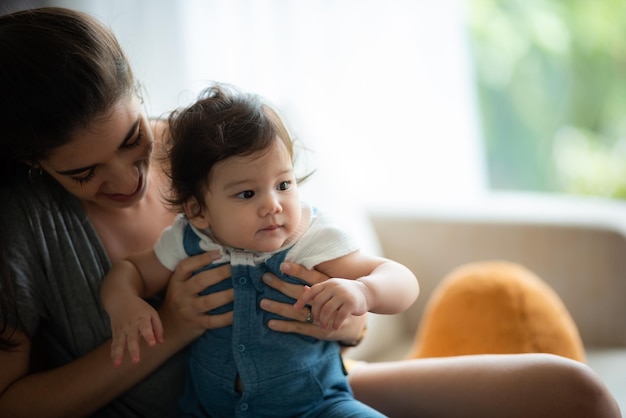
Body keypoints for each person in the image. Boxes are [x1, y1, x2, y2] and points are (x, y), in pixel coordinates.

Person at [0, 6, 620, 418]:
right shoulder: (24, 229)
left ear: (136, 91)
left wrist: (347, 312)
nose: (128, 178)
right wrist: (174, 327)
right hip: (202, 404)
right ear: (34, 163)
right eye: (83, 173)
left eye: (132, 138)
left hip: (307, 390)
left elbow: (360, 282)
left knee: (573, 393)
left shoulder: (211, 153)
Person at [100, 83, 419, 417]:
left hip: (317, 407)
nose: (273, 205)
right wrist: (123, 301)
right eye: (247, 194)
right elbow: (130, 271)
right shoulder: (189, 239)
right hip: (209, 411)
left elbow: (400, 279)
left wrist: (364, 291)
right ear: (198, 211)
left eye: (283, 185)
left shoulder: (310, 238)